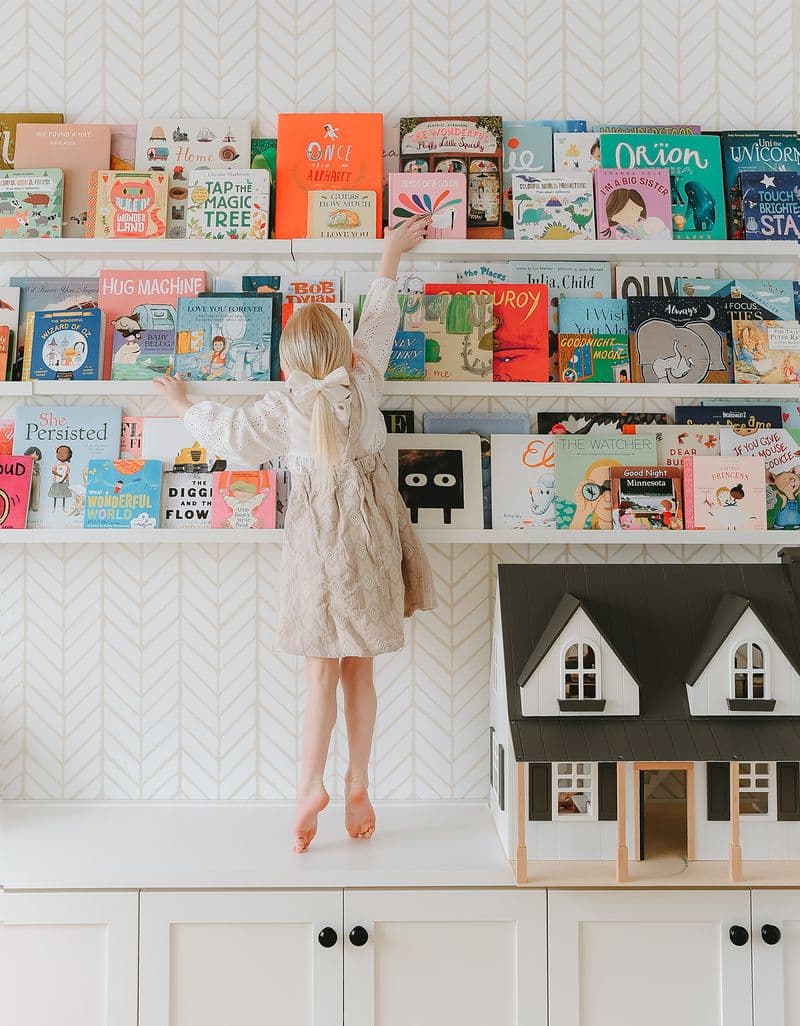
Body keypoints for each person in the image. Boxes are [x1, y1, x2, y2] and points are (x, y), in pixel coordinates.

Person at [154, 214, 436, 853]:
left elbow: (230, 436)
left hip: (316, 541)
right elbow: (381, 315)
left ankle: (308, 784)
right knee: (360, 671)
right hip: (370, 536)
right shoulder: (364, 380)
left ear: (289, 365)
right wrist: (390, 250)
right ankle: (358, 780)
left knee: (318, 675)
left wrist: (179, 403)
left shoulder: (284, 408)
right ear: (346, 351)